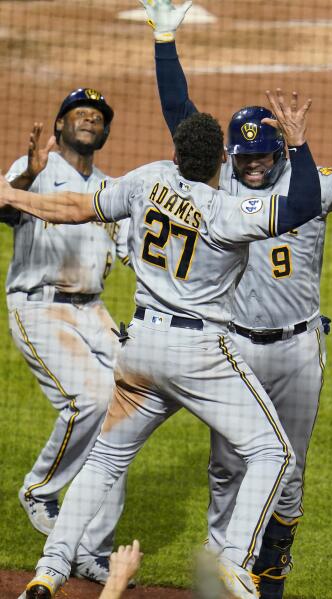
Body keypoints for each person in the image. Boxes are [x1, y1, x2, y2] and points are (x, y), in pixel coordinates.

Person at [5, 88, 322, 599]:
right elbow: (303, 201)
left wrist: (17, 196)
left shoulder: (148, 180)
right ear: (223, 159)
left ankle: (50, 569)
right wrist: (300, 144)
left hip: (140, 349)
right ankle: (235, 559)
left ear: (176, 155)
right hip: (199, 355)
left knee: (107, 458)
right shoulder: (228, 212)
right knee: (273, 451)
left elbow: (75, 208)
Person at [139, 2, 332, 597]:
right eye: (243, 156)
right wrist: (164, 38)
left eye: (261, 156)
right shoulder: (221, 183)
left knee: (289, 476)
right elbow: (181, 117)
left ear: (280, 153)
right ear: (230, 156)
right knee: (228, 467)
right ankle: (216, 572)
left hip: (300, 352)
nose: (251, 166)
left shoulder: (311, 184)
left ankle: (270, 580)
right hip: (233, 351)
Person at [0, 88, 133, 585]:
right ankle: (40, 488)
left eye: (96, 117)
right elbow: (6, 207)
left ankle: (90, 548)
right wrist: (28, 175)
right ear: (58, 128)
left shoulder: (108, 188)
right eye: (78, 114)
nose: (88, 120)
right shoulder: (38, 168)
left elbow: (131, 253)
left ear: (104, 132)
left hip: (94, 313)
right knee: (92, 398)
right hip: (41, 308)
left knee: (126, 414)